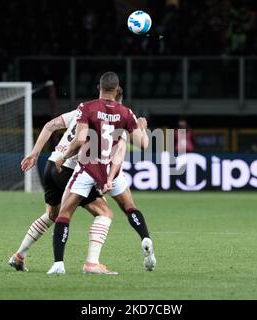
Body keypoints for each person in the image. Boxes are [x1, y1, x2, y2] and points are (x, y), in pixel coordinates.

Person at [9, 85, 155, 273]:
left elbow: (49, 126)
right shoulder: (116, 117)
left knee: (52, 215)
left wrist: (35, 154)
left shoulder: (82, 109)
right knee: (104, 213)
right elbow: (90, 144)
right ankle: (91, 263)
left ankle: (19, 256)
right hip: (69, 168)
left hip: (51, 165)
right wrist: (141, 128)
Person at [47, 72, 149, 275]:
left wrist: (62, 157)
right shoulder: (126, 112)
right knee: (128, 207)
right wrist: (142, 127)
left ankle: (58, 263)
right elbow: (143, 144)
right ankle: (145, 238)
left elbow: (79, 140)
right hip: (111, 170)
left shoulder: (88, 107)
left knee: (64, 214)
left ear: (99, 87)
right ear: (118, 89)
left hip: (88, 168)